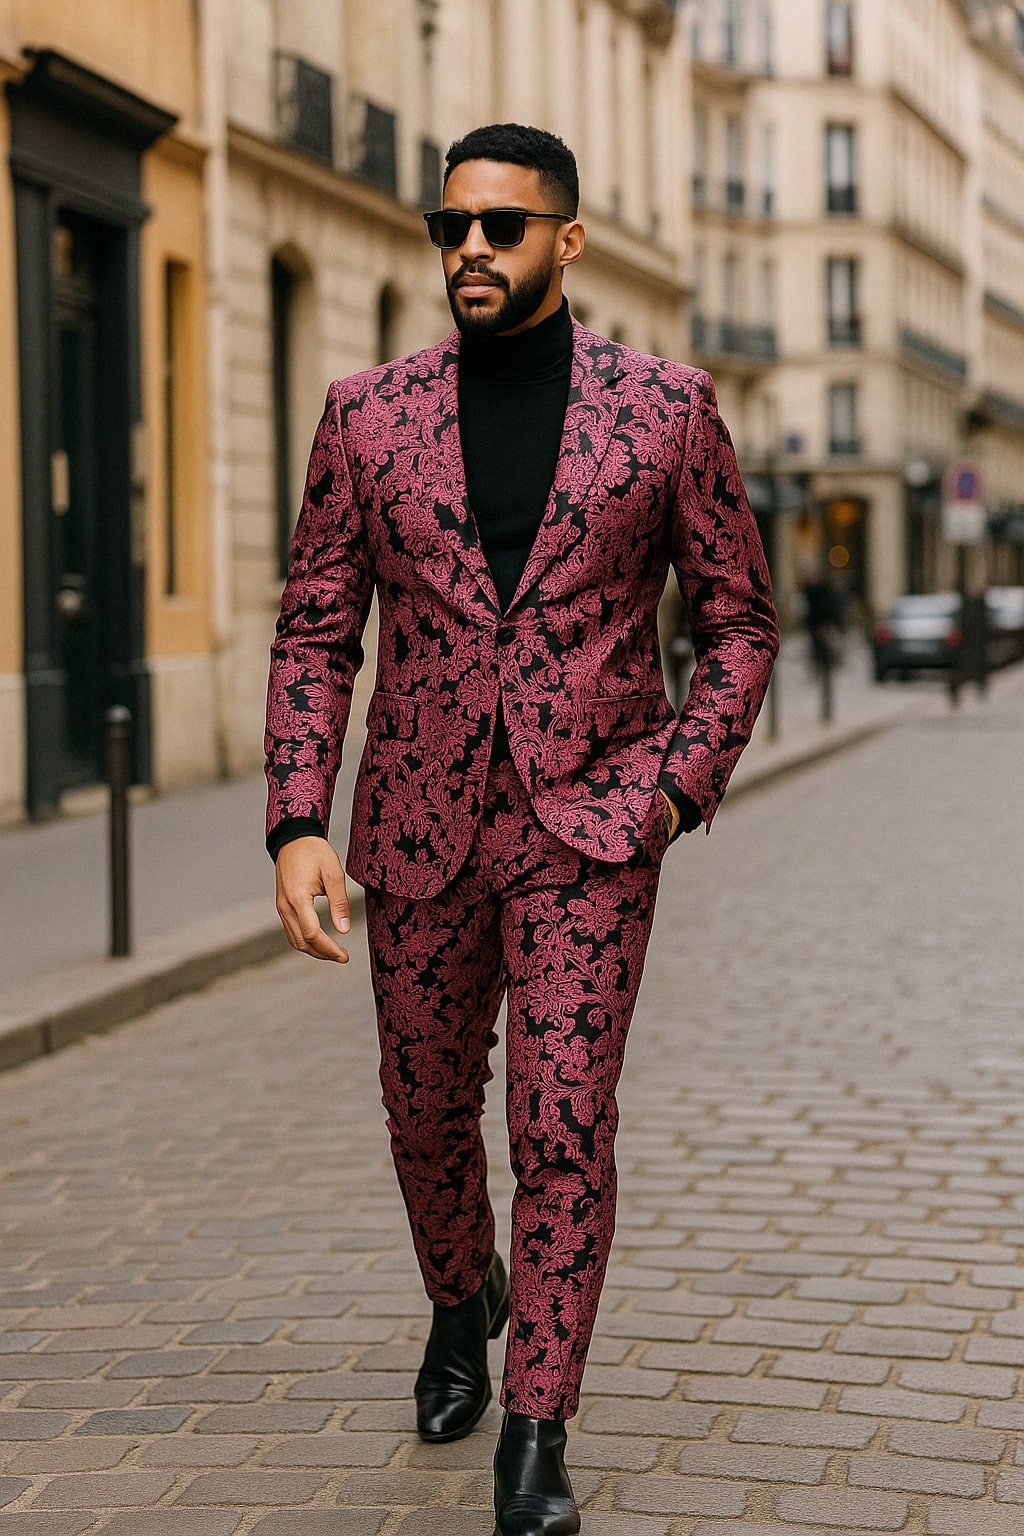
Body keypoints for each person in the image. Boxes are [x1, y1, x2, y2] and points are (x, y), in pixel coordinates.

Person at [264, 123, 779, 1536]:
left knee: (561, 1121)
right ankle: (458, 1299)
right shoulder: (366, 414)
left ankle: (537, 1424)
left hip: (591, 829)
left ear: (567, 240)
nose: (470, 249)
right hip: (418, 830)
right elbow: (317, 629)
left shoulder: (665, 407)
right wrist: (296, 816)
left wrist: (673, 787)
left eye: (501, 225)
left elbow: (738, 621)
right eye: (452, 227)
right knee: (425, 1110)